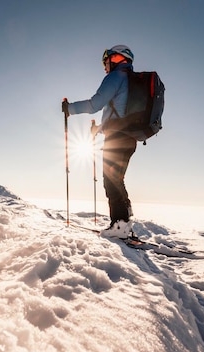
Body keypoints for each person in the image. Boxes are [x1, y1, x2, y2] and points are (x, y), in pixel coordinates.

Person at [62, 45, 137, 239]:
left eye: (106, 61)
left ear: (116, 58)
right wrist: (99, 129)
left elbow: (95, 104)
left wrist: (69, 108)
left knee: (111, 181)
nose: (105, 66)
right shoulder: (131, 80)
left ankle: (120, 226)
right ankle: (124, 221)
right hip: (130, 138)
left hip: (117, 138)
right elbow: (119, 115)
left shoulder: (116, 76)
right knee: (117, 179)